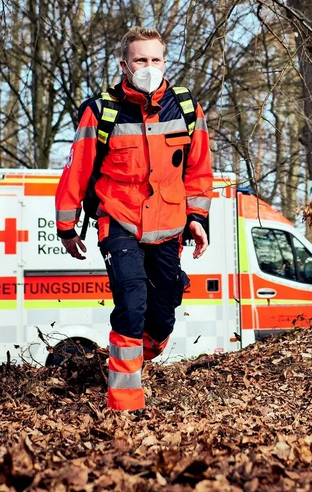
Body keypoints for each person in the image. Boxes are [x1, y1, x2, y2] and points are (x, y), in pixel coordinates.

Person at [54, 27, 213, 412]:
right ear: (124, 64)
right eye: (140, 60)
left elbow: (198, 170)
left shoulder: (187, 108)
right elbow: (76, 171)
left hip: (169, 226)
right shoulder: (101, 110)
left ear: (165, 61)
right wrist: (67, 226)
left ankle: (127, 358)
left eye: (155, 59)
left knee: (161, 317)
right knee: (131, 302)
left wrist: (197, 218)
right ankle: (125, 404)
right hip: (118, 221)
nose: (148, 67)